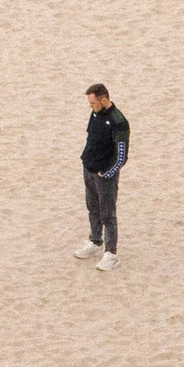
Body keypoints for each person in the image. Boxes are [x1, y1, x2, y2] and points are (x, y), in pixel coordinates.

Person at [77, 83, 128, 264]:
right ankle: (95, 240)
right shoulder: (95, 114)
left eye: (93, 103)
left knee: (108, 214)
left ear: (104, 100)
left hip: (104, 175)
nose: (91, 106)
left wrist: (106, 174)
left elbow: (121, 156)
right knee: (93, 208)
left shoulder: (118, 122)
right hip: (89, 169)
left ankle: (111, 253)